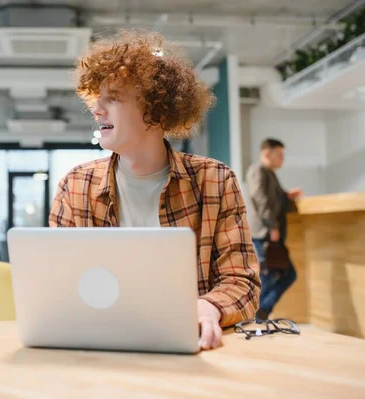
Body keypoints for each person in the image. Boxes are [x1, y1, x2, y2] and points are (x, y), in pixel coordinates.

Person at [49, 30, 261, 351]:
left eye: (115, 98)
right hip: (101, 347)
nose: (97, 110)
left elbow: (241, 281)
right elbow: (60, 282)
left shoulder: (216, 181)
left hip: (191, 348)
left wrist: (209, 307)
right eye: (98, 98)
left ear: (157, 112)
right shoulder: (76, 186)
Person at [246, 139, 302, 321]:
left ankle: (261, 312)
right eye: (279, 154)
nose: (282, 159)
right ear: (266, 153)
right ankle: (257, 315)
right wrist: (272, 226)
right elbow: (261, 200)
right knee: (270, 276)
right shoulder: (258, 171)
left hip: (270, 234)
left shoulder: (270, 174)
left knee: (285, 274)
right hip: (265, 234)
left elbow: (273, 199)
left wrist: (287, 196)